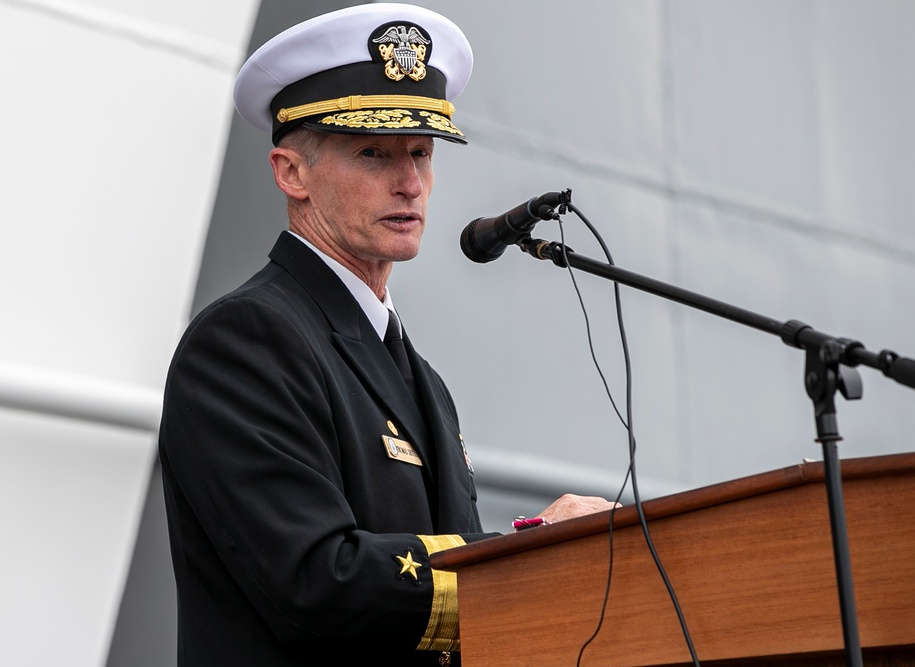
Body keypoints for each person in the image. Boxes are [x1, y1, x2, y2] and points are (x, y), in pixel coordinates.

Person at [158, 4, 616, 665]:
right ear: (292, 172)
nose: (409, 182)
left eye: (421, 154)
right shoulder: (245, 341)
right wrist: (531, 548)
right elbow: (318, 580)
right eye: (374, 152)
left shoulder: (423, 380)